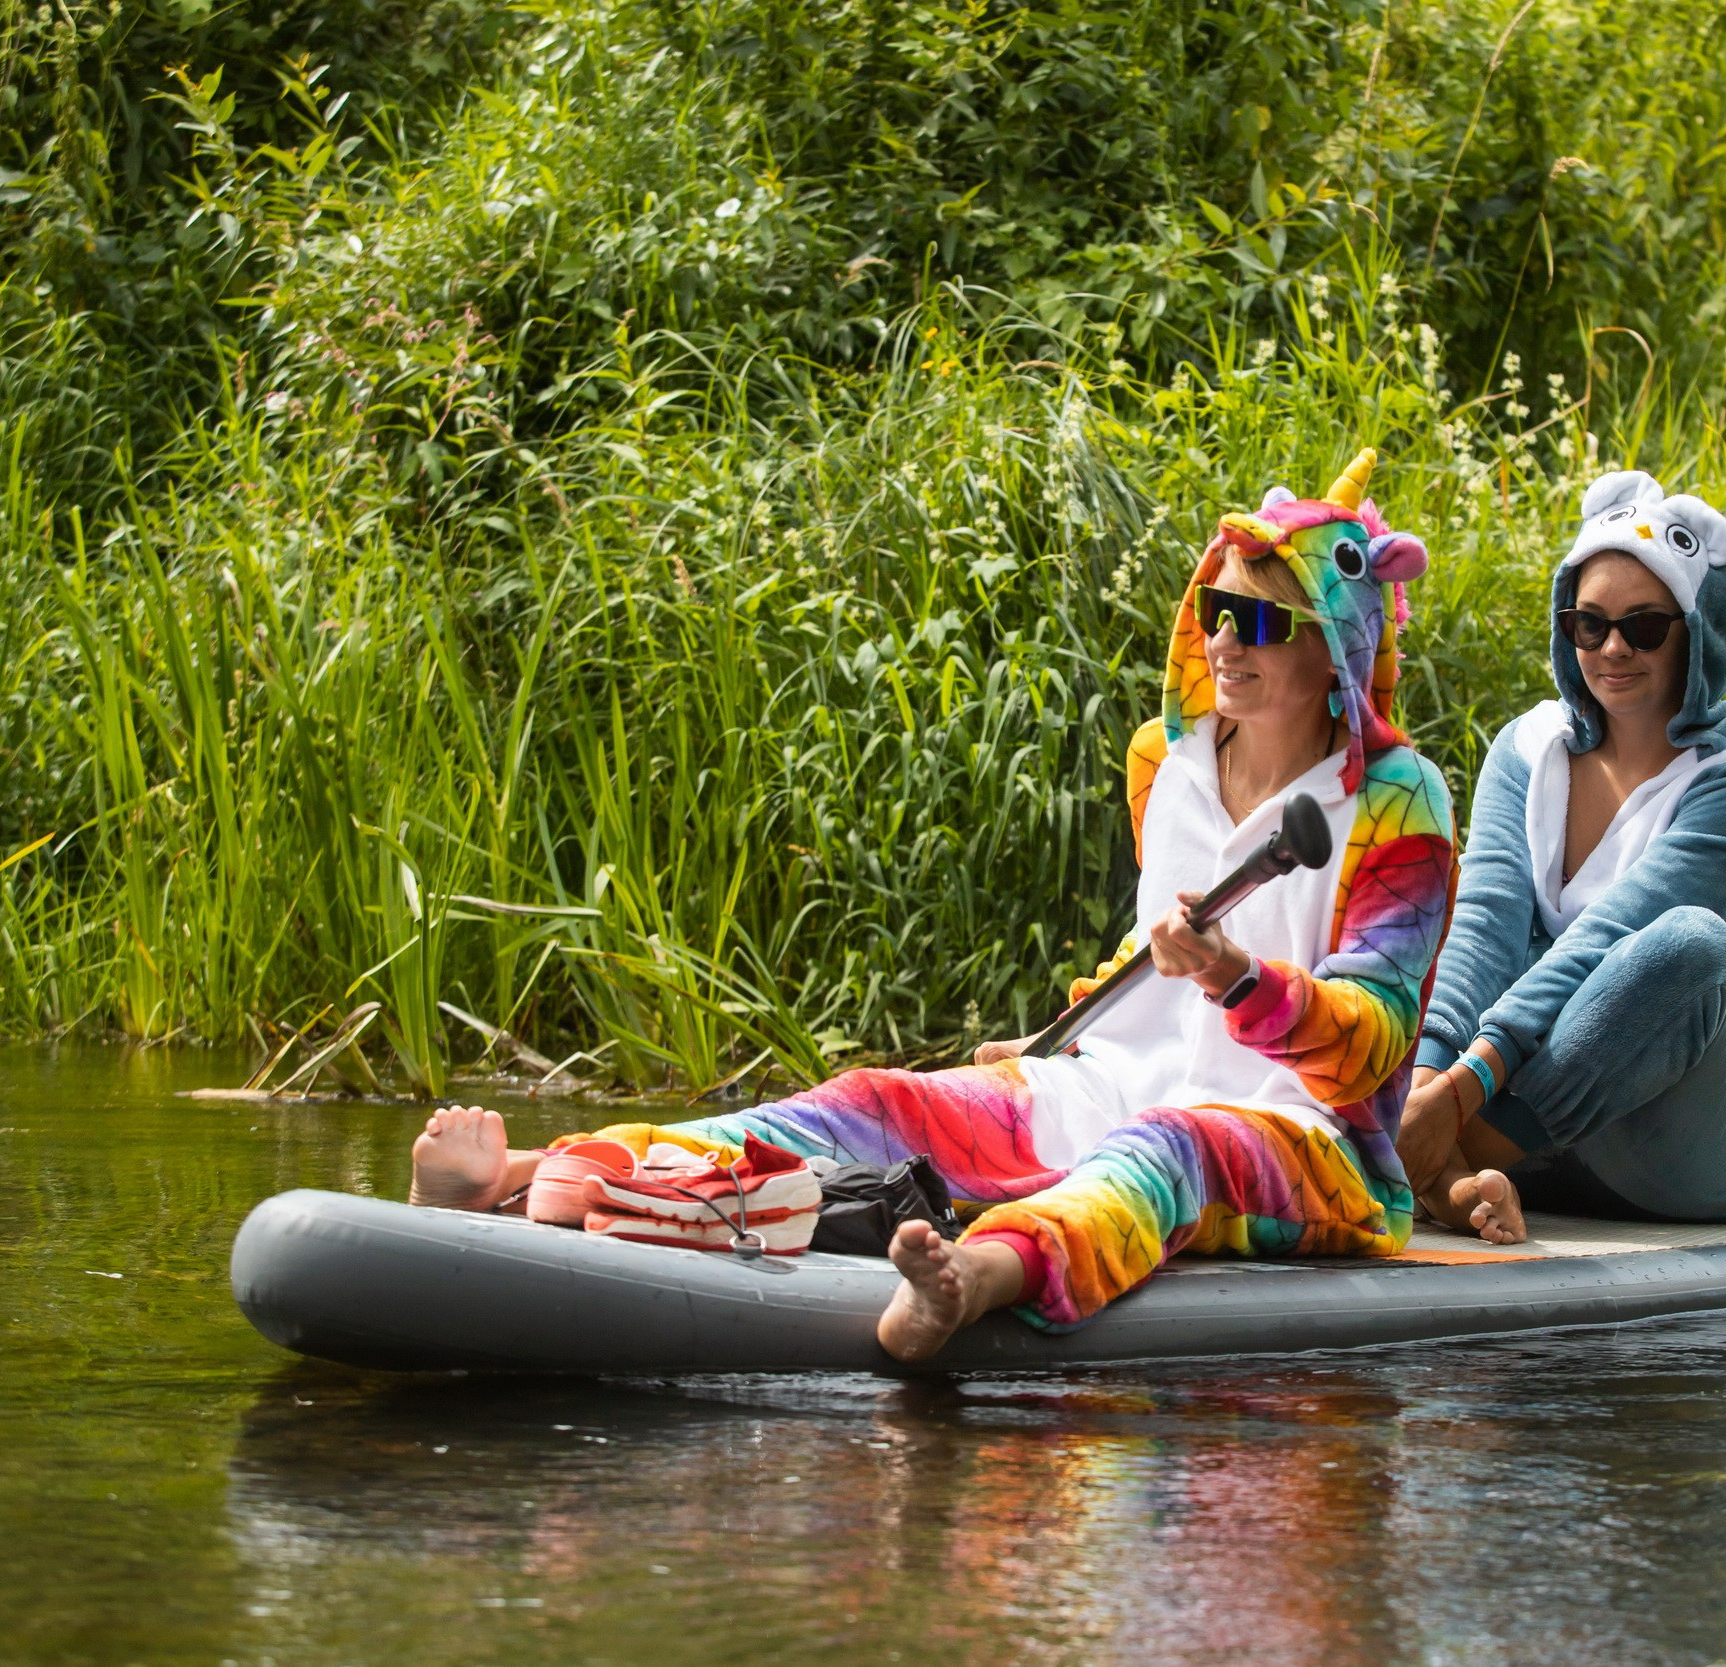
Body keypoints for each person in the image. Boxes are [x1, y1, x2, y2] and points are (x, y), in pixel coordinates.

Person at [409, 451, 1455, 1361]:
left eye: (1261, 620)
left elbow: (1369, 1049)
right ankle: (546, 1169)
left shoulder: (1398, 801)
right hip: (1121, 1080)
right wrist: (1063, 1032)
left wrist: (1236, 976)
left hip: (1308, 1141)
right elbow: (1152, 963)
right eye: (1216, 611)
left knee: (1167, 1149)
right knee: (882, 1099)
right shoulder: (1164, 762)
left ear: (1338, 648)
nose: (1225, 642)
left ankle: (969, 1280)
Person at [1397, 470, 1726, 1245]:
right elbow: (1482, 929)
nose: (1613, 647)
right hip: (1536, 1136)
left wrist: (1456, 1100)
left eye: (1644, 627)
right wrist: (1425, 1080)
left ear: (1695, 631)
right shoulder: (1526, 750)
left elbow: (1610, 933)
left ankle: (1433, 1166)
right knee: (1413, 921)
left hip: (1687, 1147)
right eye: (1589, 624)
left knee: (1691, 943)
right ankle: (1445, 1166)